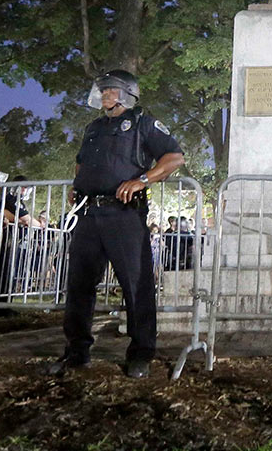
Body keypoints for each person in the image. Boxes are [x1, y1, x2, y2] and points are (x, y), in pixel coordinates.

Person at [45, 69, 183, 379]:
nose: (105, 95)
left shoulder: (143, 123)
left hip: (124, 215)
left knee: (136, 286)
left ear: (127, 92)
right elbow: (81, 161)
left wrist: (141, 180)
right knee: (79, 286)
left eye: (111, 90)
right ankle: (76, 351)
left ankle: (141, 353)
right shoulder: (93, 127)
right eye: (103, 90)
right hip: (89, 215)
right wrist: (77, 183)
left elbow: (174, 158)